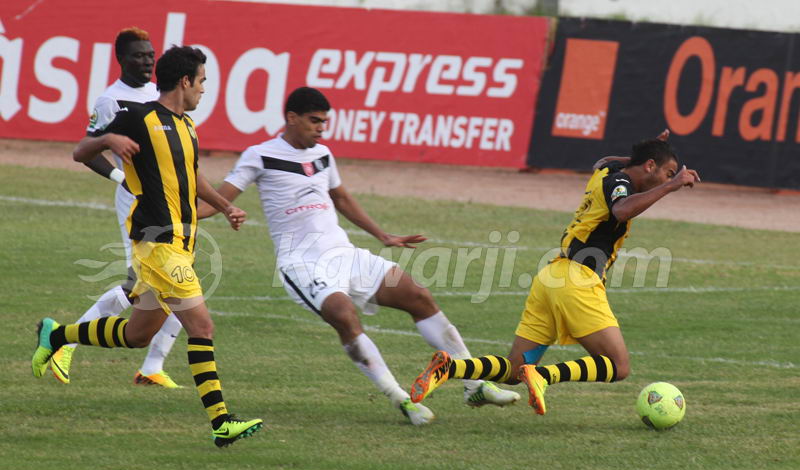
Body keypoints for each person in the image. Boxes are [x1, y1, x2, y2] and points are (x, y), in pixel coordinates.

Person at [198, 87, 519, 426]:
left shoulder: (323, 154)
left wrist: (382, 235)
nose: (321, 128)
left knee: (418, 295)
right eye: (314, 121)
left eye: (324, 122)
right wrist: (193, 213)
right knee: (343, 314)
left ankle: (474, 384)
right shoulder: (259, 155)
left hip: (344, 254)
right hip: (301, 263)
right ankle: (401, 400)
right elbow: (218, 200)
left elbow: (342, 199)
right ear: (291, 118)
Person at [32, 45, 263, 448]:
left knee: (139, 335)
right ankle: (221, 422)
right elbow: (80, 151)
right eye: (203, 81)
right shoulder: (138, 116)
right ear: (185, 81)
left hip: (181, 243)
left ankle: (56, 335)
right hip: (158, 244)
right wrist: (109, 138)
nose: (205, 89)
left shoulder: (188, 125)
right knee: (202, 326)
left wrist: (225, 206)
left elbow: (192, 175)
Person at [410, 132, 700, 416]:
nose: (669, 179)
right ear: (650, 166)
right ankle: (545, 377)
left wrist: (645, 157)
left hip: (552, 278)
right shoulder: (620, 182)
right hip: (577, 281)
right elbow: (622, 210)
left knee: (513, 370)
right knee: (618, 365)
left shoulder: (610, 171)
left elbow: (602, 160)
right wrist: (669, 186)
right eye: (668, 172)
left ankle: (451, 366)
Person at [48, 27, 184, 389]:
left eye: (151, 54)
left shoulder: (160, 94)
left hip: (164, 200)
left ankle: (152, 367)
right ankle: (63, 342)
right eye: (140, 55)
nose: (148, 60)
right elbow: (87, 149)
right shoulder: (111, 100)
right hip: (136, 204)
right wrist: (120, 178)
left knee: (181, 286)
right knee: (143, 286)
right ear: (122, 59)